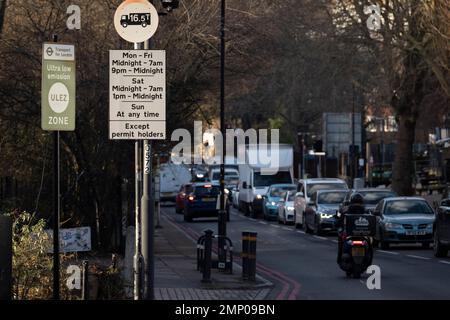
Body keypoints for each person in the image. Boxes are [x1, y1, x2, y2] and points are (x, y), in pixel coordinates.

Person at [336, 193, 365, 264]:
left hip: (352, 234)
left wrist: (337, 224)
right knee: (341, 238)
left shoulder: (345, 211)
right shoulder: (366, 211)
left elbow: (338, 222)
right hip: (362, 234)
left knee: (341, 240)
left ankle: (339, 258)